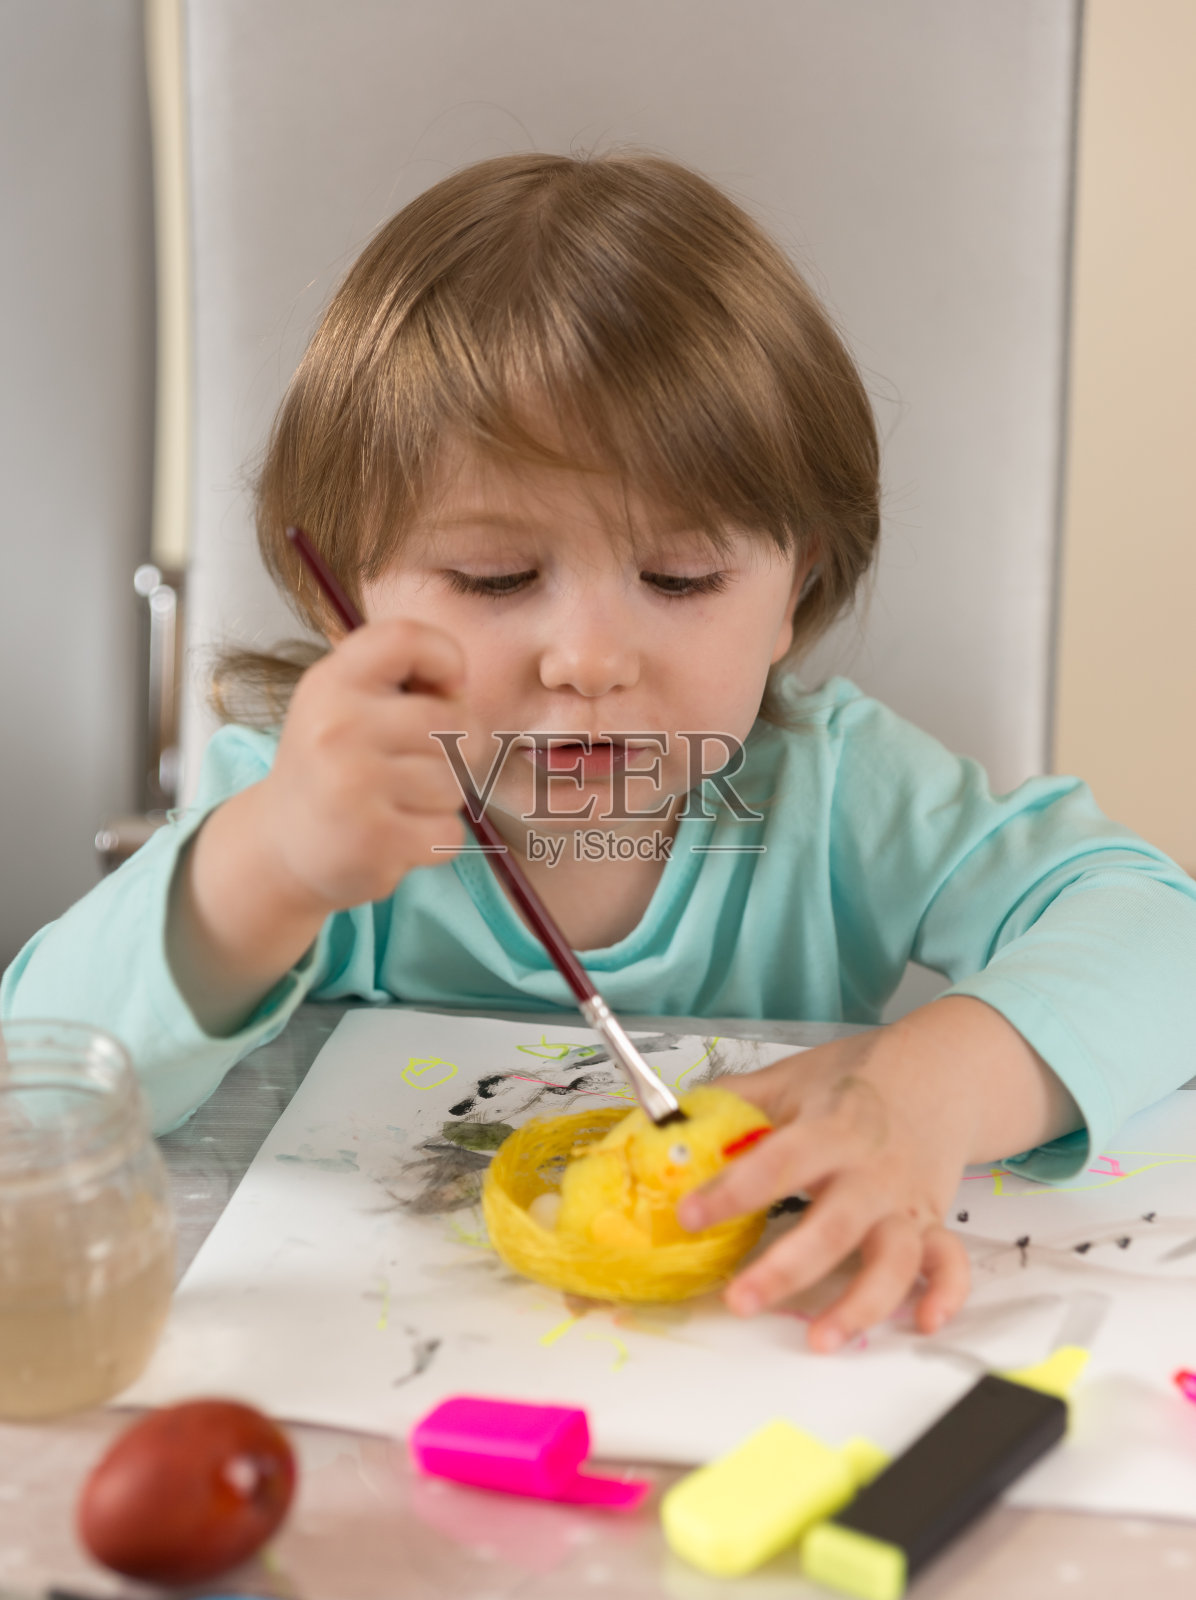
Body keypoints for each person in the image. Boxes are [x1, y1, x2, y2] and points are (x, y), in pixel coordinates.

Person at [5, 151, 1195, 1354]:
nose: (586, 657)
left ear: (796, 593)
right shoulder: (309, 805)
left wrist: (921, 1092)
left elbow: (1160, 930)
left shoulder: (840, 791)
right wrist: (263, 871)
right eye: (494, 577)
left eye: (677, 577)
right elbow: (37, 1086)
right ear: (345, 605)